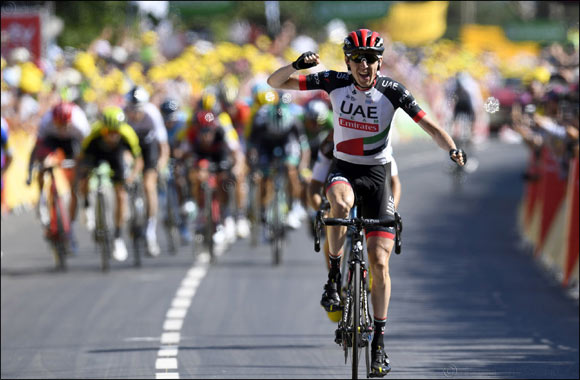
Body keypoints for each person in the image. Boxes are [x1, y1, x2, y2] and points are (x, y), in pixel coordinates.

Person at [267, 28, 466, 376]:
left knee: (379, 264)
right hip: (344, 169)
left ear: (380, 62)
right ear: (348, 61)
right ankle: (333, 278)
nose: (364, 65)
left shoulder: (392, 91)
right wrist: (296, 65)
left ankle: (379, 345)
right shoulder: (333, 81)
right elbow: (275, 82)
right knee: (339, 208)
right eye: (358, 58)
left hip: (378, 179)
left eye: (371, 59)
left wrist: (451, 148)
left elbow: (430, 126)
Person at [72, 106, 143, 262]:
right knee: (85, 175)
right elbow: (82, 157)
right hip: (97, 153)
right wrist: (80, 177)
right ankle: (86, 207)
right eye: (107, 133)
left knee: (121, 195)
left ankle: (117, 236)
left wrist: (131, 177)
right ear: (103, 129)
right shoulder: (94, 133)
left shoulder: (127, 134)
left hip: (116, 157)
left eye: (114, 133)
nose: (111, 137)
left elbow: (138, 160)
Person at [26, 101, 91, 245]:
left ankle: (79, 213)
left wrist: (85, 169)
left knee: (77, 181)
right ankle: (42, 199)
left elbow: (88, 150)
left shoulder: (79, 122)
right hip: (52, 141)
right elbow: (36, 149)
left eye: (65, 125)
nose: (62, 129)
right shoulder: (47, 122)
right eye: (58, 125)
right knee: (43, 163)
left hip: (72, 142)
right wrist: (30, 170)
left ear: (70, 121)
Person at [247, 95, 310, 231]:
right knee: (264, 175)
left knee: (290, 169)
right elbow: (252, 146)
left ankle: (294, 206)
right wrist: (254, 166)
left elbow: (304, 148)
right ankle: (263, 211)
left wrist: (302, 166)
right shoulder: (261, 120)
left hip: (287, 142)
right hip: (266, 144)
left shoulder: (293, 120)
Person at [124, 86, 170, 257]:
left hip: (149, 147)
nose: (135, 114)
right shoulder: (123, 115)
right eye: (132, 109)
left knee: (149, 185)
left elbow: (163, 145)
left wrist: (161, 164)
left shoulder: (152, 114)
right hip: (131, 149)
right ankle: (129, 215)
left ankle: (150, 231)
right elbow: (122, 147)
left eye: (138, 109)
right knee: (126, 178)